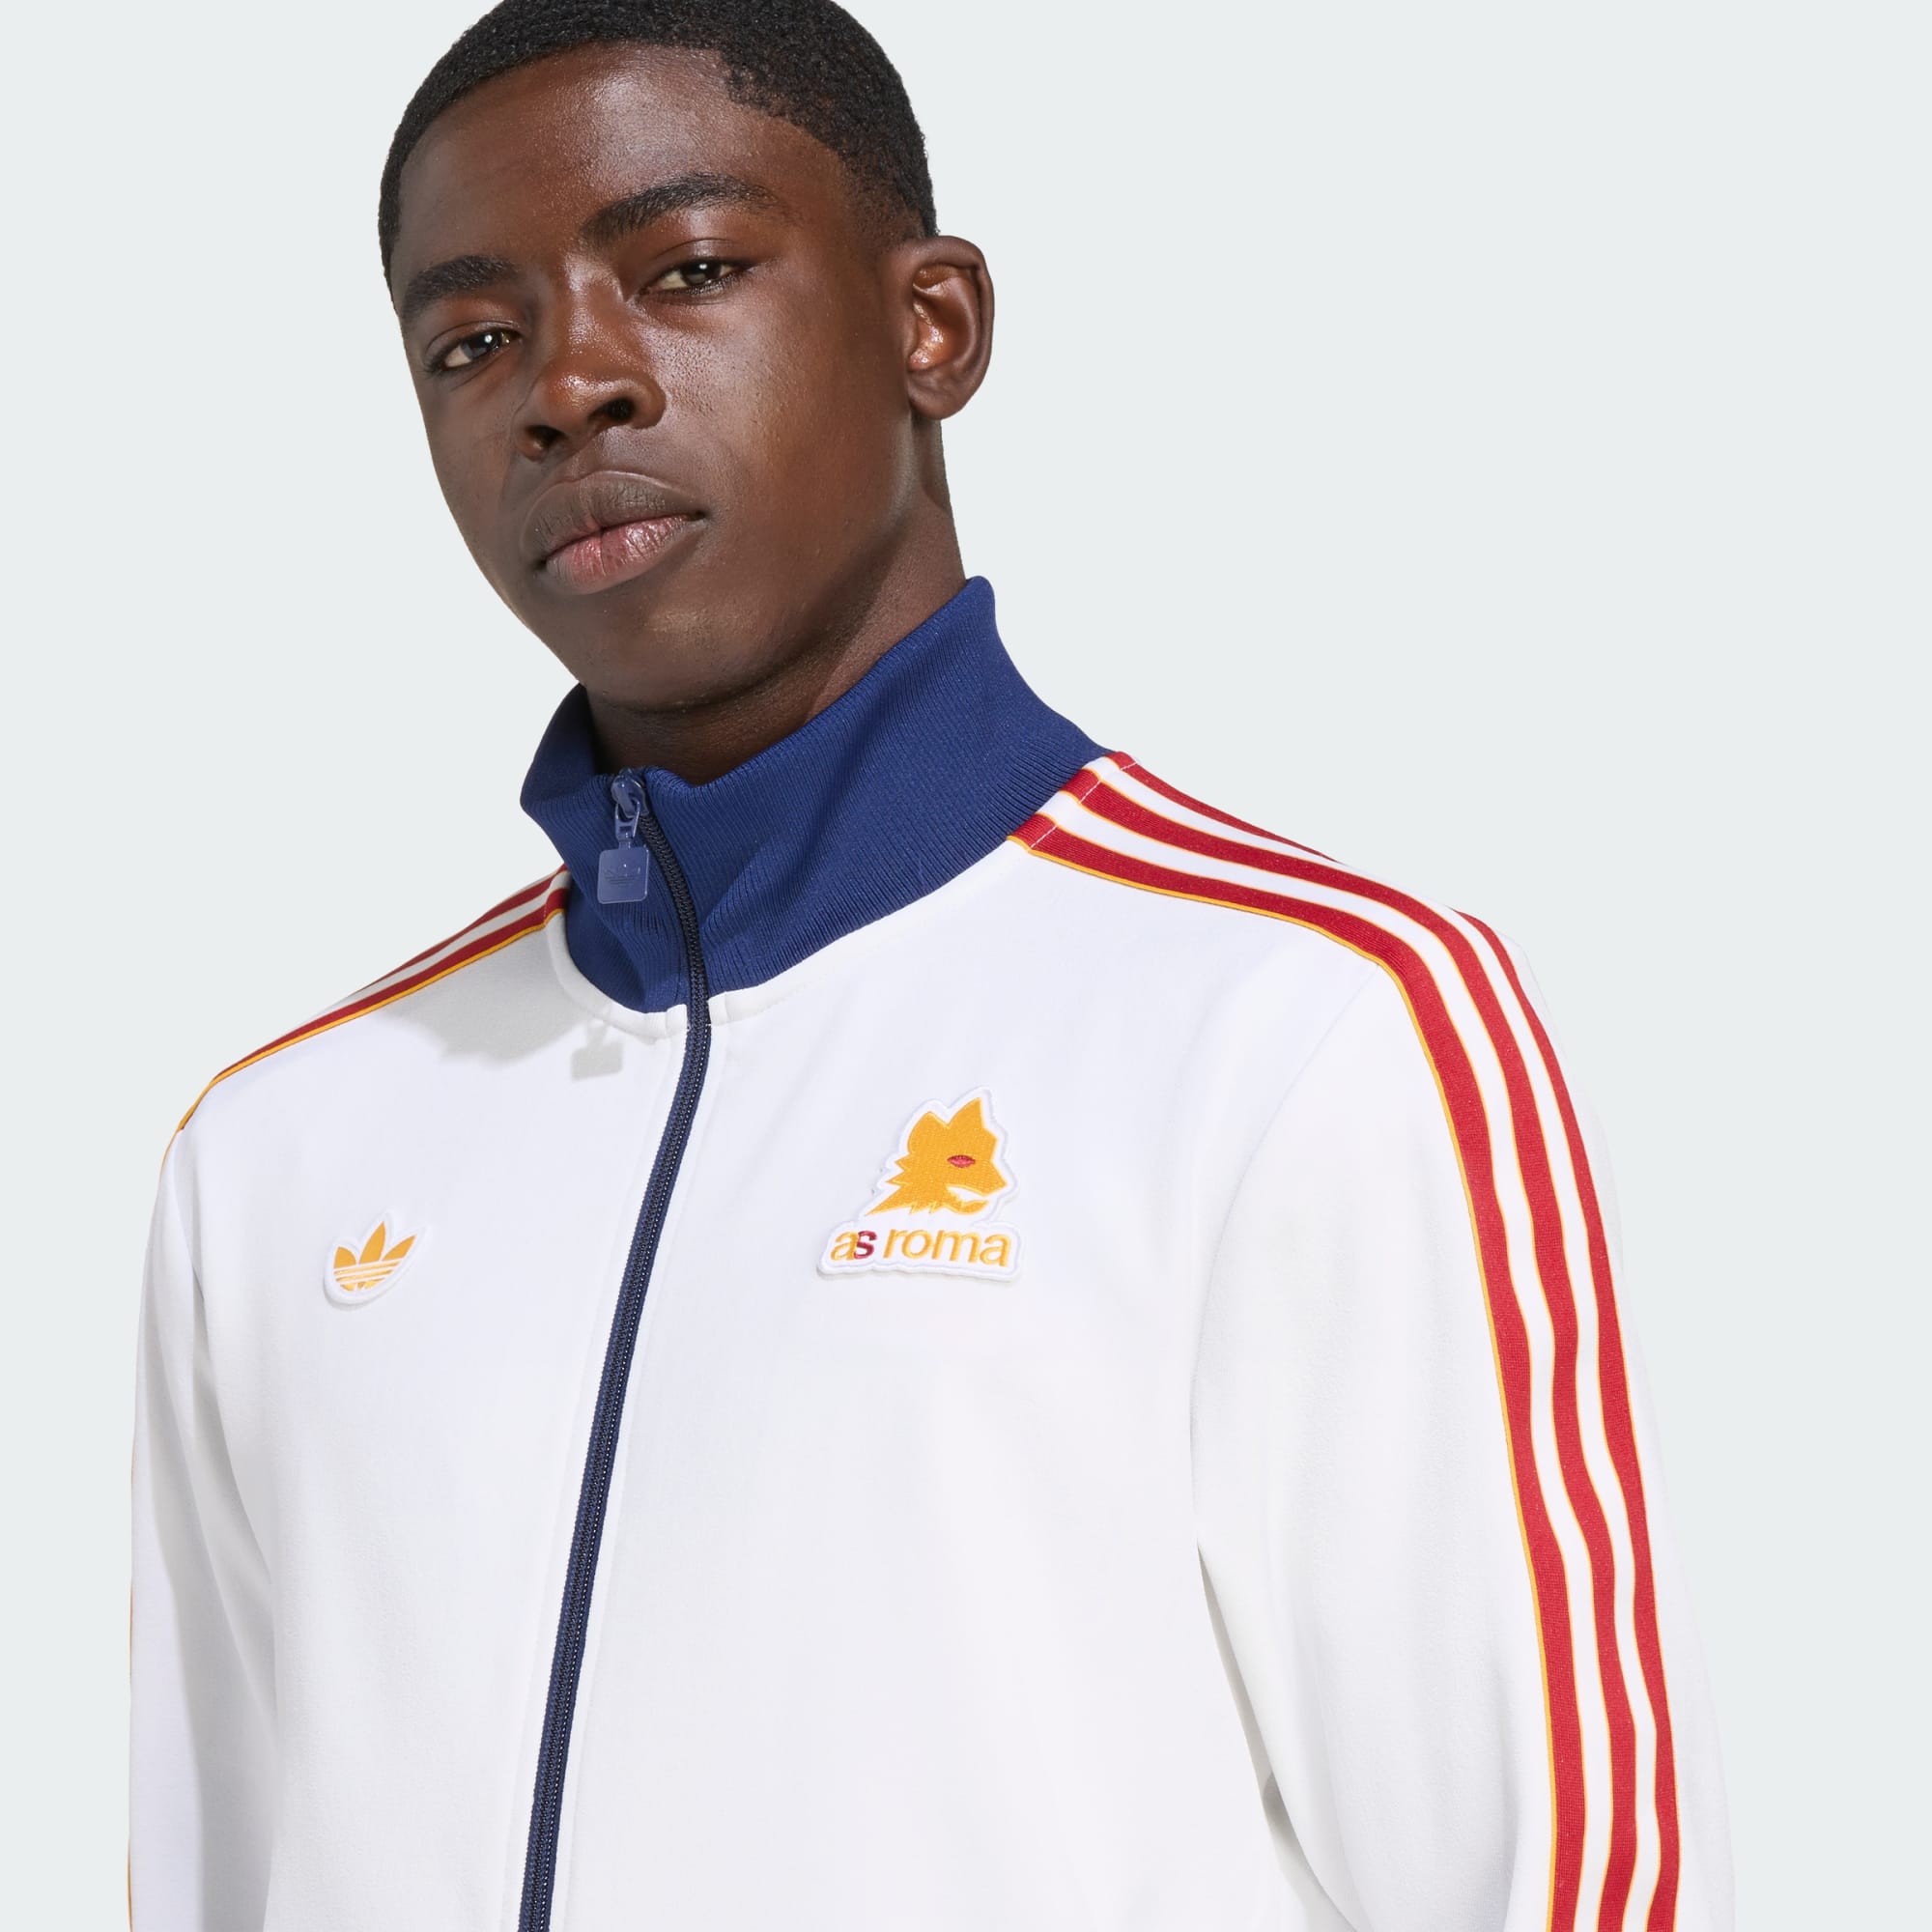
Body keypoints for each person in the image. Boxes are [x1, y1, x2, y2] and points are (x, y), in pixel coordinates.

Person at [128, 2, 1731, 1926]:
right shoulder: (283, 1151)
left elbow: (1559, 1881)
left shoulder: (1312, 1026)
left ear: (933, 325)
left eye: (687, 271)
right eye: (473, 340)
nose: (571, 385)